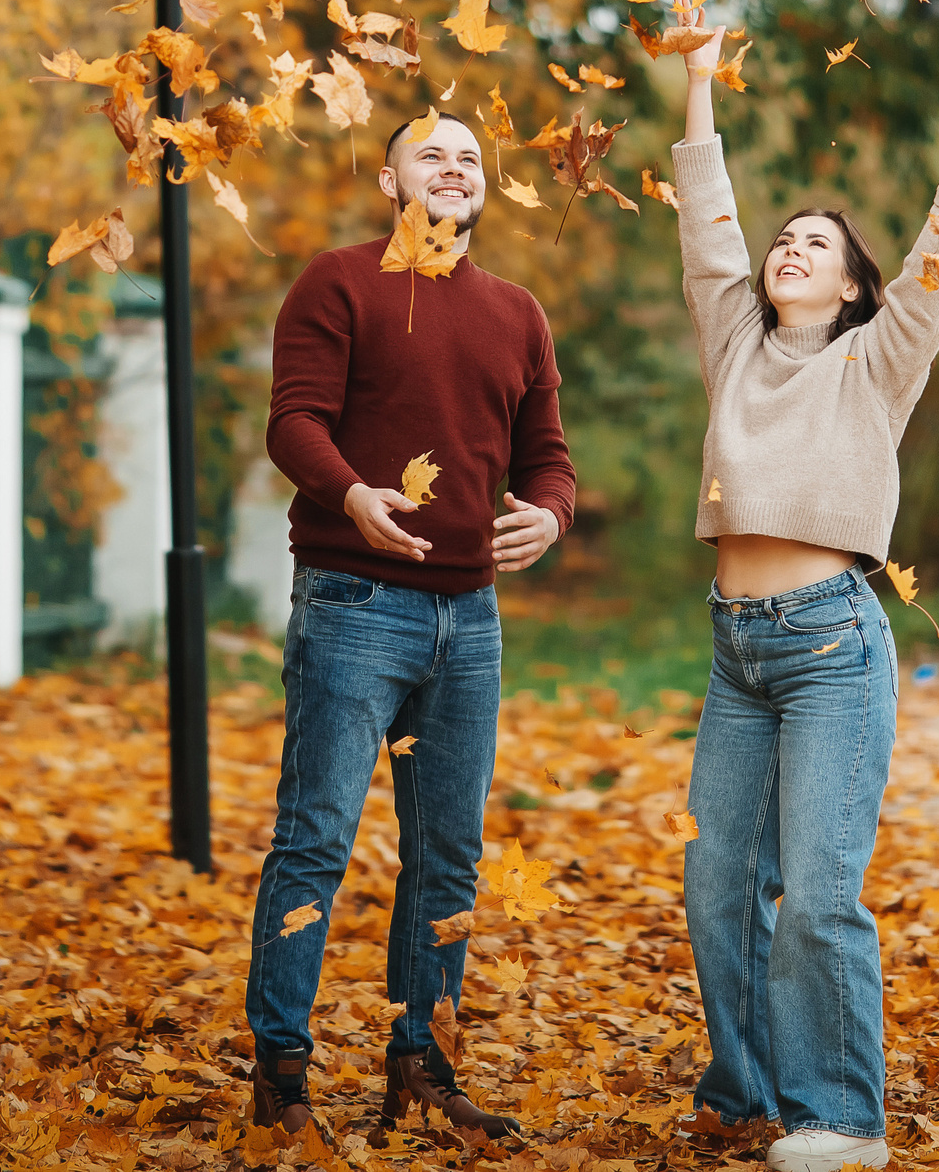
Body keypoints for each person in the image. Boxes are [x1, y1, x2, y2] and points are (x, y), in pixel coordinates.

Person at [661, 28, 939, 1172]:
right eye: (784, 239)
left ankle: (842, 1118)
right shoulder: (735, 345)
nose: (788, 248)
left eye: (814, 244)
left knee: (817, 895)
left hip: (830, 650)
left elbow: (938, 262)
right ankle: (745, 1090)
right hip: (737, 653)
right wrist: (697, 80)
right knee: (717, 886)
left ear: (854, 283)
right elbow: (706, 224)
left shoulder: (877, 361)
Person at [247, 111, 577, 1142]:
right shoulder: (336, 283)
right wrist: (350, 494)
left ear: (482, 188)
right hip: (353, 605)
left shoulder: (517, 313)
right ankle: (281, 1082)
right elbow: (293, 421)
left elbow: (549, 457)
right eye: (428, 153)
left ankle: (418, 1067)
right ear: (391, 182)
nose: (451, 166)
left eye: (467, 157)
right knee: (316, 842)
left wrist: (550, 514)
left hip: (468, 621)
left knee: (446, 858)